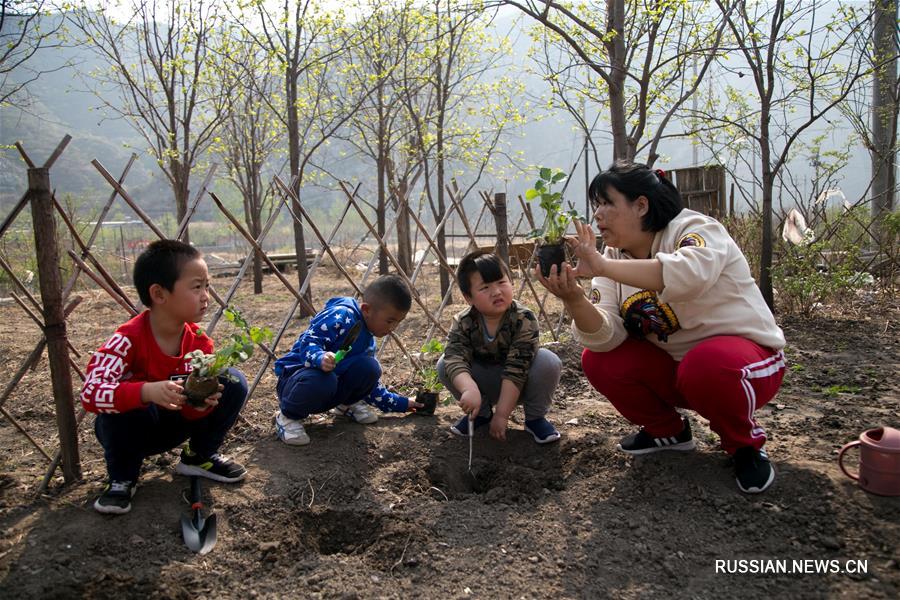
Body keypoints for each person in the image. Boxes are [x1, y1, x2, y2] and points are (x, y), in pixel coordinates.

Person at [537, 161, 786, 493]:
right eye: (596, 205)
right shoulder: (612, 258)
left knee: (706, 364)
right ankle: (667, 431)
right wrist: (574, 299)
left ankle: (745, 446)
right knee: (598, 360)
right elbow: (605, 335)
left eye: (607, 202)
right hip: (683, 374)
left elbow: (688, 275)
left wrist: (604, 266)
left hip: (745, 367)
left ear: (641, 205)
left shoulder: (694, 229)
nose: (597, 214)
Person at [81, 240, 248, 515]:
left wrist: (200, 404)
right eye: (197, 287)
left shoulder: (199, 343)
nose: (206, 295)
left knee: (232, 380)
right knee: (126, 407)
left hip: (176, 423)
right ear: (159, 294)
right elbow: (90, 393)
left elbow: (193, 410)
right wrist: (145, 391)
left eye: (207, 286)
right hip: (132, 431)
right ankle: (123, 478)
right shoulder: (126, 340)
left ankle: (198, 457)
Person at [273, 274, 422, 445]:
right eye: (389, 321)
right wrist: (320, 357)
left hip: (327, 387)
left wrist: (403, 404)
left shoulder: (367, 338)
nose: (393, 328)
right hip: (296, 383)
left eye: (398, 322)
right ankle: (287, 417)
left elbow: (371, 387)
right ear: (366, 310)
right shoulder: (341, 316)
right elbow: (308, 342)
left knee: (370, 367)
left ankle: (347, 405)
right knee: (324, 378)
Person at [439, 250, 562, 444]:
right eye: (485, 287)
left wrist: (503, 416)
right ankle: (481, 414)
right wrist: (469, 388)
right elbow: (455, 357)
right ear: (468, 297)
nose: (496, 291)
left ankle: (535, 419)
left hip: (520, 385)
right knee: (443, 365)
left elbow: (517, 368)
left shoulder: (523, 319)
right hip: (484, 385)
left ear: (511, 282)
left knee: (548, 361)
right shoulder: (464, 321)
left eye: (501, 282)